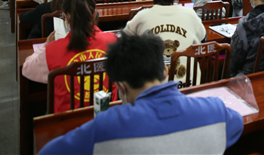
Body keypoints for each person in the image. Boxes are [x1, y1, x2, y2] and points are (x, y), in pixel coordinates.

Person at [37, 33, 243, 155]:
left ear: (121, 87)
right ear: (165, 71)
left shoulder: (104, 128)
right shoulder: (216, 111)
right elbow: (237, 125)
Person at [22, 0, 118, 114]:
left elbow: (27, 69)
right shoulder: (113, 40)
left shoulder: (53, 50)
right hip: (107, 115)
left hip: (67, 120)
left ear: (66, 18)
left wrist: (46, 45)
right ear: (94, 14)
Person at [124, 0, 205, 84]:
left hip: (155, 89)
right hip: (190, 87)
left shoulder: (142, 17)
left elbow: (125, 43)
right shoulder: (190, 14)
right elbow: (202, 37)